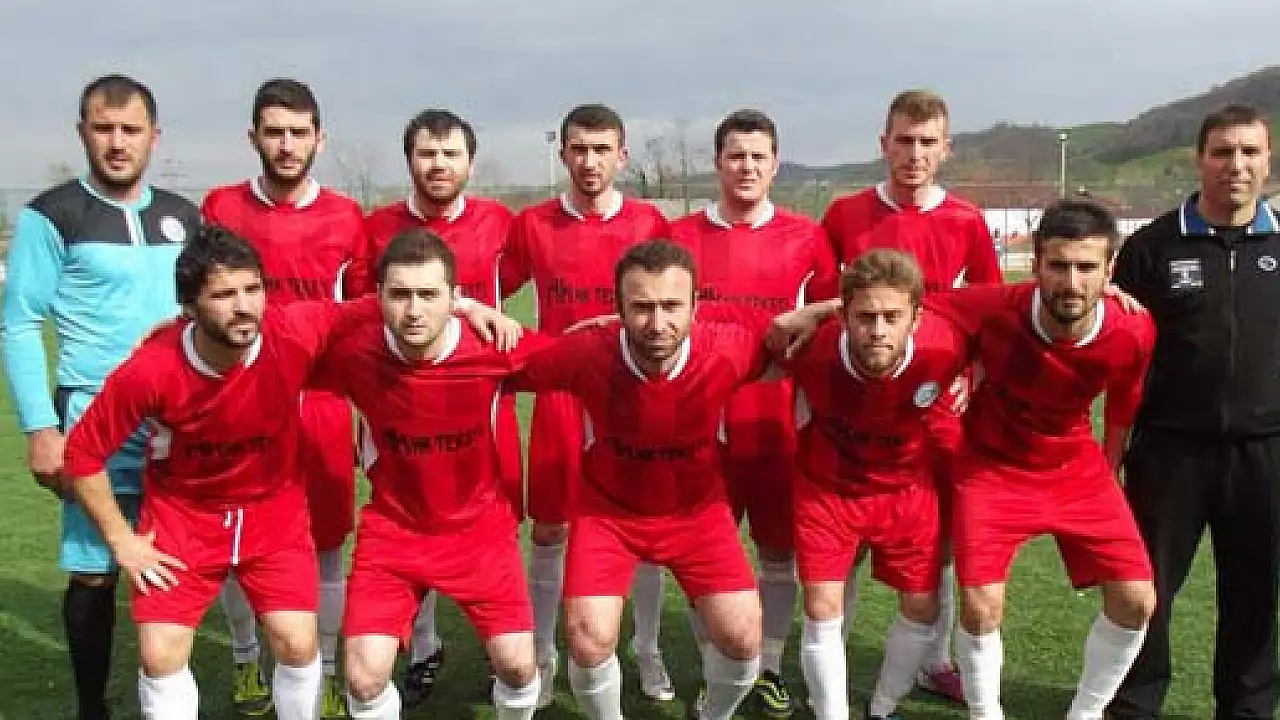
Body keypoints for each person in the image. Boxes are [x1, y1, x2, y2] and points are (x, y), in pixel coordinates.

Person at [58, 226, 513, 720]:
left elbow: (386, 303)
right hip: (184, 517)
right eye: (223, 295)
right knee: (159, 654)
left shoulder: (293, 329)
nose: (243, 307)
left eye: (252, 289)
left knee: (296, 641)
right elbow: (82, 454)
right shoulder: (152, 369)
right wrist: (122, 541)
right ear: (188, 306)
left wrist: (467, 307)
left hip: (273, 512)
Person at [0, 74, 201, 720]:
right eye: (104, 128)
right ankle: (93, 707)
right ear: (82, 133)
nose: (117, 143)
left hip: (179, 420)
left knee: (183, 557)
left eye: (130, 130)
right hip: (96, 421)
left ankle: (174, 687)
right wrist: (41, 427)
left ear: (154, 137)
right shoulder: (54, 215)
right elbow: (20, 322)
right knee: (95, 569)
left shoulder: (184, 216)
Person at [932, 198, 1157, 719]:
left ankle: (1086, 713)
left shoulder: (1134, 329)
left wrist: (1109, 472)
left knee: (1136, 600)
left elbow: (1122, 406)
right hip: (990, 467)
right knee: (981, 605)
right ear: (1035, 265)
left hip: (1077, 468)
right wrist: (962, 365)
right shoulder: (995, 307)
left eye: (1087, 267)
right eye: (1058, 265)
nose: (1072, 282)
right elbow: (911, 304)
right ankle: (985, 713)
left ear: (1110, 270)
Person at [820, 88, 1003, 702]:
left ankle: (935, 658)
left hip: (937, 410)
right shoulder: (845, 215)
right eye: (904, 140)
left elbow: (990, 312)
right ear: (884, 144)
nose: (915, 153)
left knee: (939, 542)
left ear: (946, 148)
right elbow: (823, 306)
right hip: (856, 408)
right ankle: (833, 655)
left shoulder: (966, 221)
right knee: (841, 543)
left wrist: (969, 376)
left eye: (927, 142)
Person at [318, 229, 541, 720]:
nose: (414, 310)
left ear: (453, 297)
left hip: (480, 530)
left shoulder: (493, 345)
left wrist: (617, 327)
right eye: (400, 295)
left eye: (428, 294)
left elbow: (580, 359)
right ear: (378, 297)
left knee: (518, 667)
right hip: (394, 532)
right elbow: (266, 347)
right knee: (363, 676)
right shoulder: (352, 355)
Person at [201, 77, 367, 719]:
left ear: (320, 139)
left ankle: (322, 669)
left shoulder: (345, 217)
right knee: (236, 542)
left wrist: (361, 411)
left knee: (326, 544)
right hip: (238, 402)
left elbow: (357, 321)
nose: (287, 144)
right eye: (275, 132)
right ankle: (248, 658)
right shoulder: (221, 207)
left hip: (321, 404)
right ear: (254, 138)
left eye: (299, 133)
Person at [1109, 104, 1280, 720]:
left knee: (1255, 592)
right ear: (1199, 159)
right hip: (1169, 449)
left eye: (1250, 152)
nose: (1237, 165)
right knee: (1146, 588)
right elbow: (1117, 354)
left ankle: (1248, 707)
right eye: (1223, 152)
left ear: (1267, 160)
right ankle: (1134, 702)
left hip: (1265, 450)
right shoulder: (1152, 247)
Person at [500, 103, 672, 708]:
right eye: (579, 149)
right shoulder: (533, 225)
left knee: (647, 530)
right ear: (563, 153)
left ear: (622, 156)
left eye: (602, 149)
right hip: (561, 399)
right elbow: (492, 288)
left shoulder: (650, 222)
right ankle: (543, 656)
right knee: (550, 529)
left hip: (632, 398)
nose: (590, 161)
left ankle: (646, 649)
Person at [670, 108, 838, 717]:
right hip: (699, 428)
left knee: (778, 554)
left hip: (777, 426)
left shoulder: (807, 237)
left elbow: (836, 315)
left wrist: (810, 316)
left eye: (757, 157)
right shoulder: (679, 237)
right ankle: (716, 667)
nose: (746, 167)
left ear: (775, 164)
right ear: (717, 162)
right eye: (735, 156)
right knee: (699, 556)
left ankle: (767, 666)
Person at [359, 109, 521, 706]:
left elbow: (511, 292)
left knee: (487, 518)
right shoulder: (376, 228)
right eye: (427, 153)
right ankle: (423, 646)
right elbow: (361, 306)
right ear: (410, 160)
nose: (439, 164)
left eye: (450, 154)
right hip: (396, 396)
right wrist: (461, 306)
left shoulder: (500, 223)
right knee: (409, 514)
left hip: (482, 399)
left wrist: (477, 313)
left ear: (470, 163)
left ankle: (504, 650)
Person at [784, 249, 966, 720]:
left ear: (916, 318)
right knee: (822, 606)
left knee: (922, 606)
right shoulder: (812, 349)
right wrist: (803, 316)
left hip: (906, 491)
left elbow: (1018, 315)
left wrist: (1106, 294)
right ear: (843, 315)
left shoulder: (946, 347)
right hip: (827, 491)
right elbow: (757, 335)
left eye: (891, 317)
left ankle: (883, 708)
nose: (878, 330)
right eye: (865, 317)